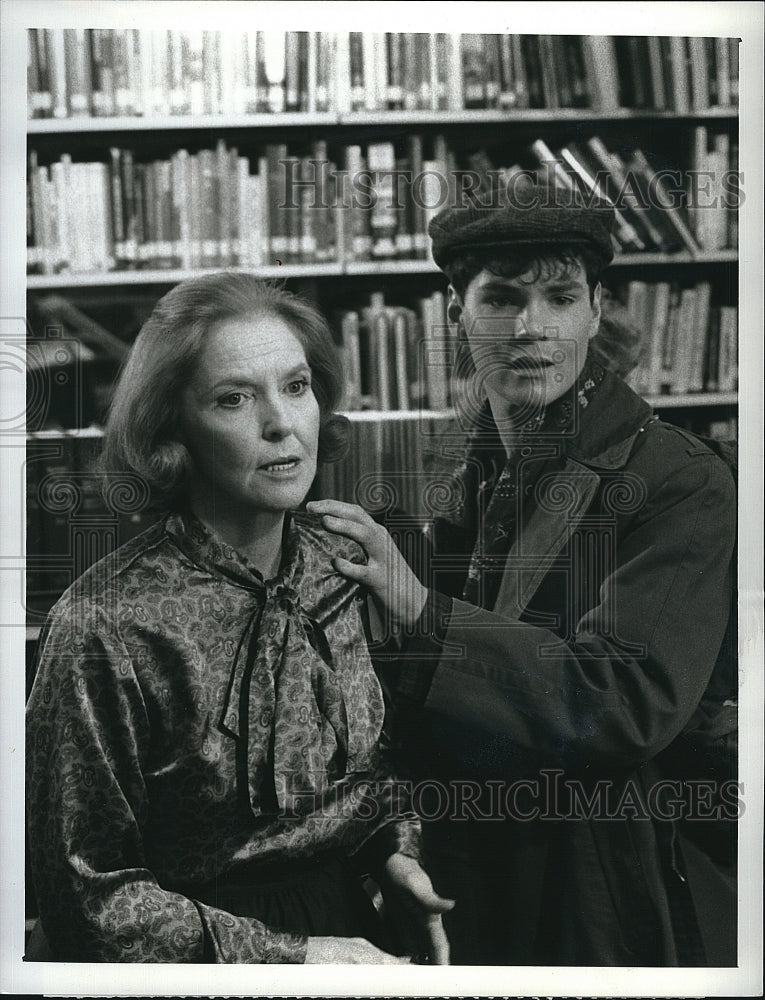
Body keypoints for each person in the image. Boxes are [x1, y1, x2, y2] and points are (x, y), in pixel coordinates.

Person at [308, 180, 738, 966]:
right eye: (501, 299)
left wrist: (418, 609)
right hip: (456, 863)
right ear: (456, 317)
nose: (530, 328)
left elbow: (623, 703)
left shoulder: (679, 479)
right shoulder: (459, 468)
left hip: (592, 877)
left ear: (595, 309)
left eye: (559, 297)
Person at [25, 272, 453, 964]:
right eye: (233, 399)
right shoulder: (102, 623)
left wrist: (394, 856)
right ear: (173, 428)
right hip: (194, 958)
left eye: (296, 386)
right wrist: (293, 958)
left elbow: (378, 772)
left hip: (355, 929)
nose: (281, 423)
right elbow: (85, 896)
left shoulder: (348, 563)